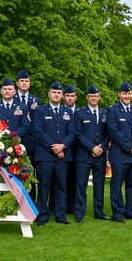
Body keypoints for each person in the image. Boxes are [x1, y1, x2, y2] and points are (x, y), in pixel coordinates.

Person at [30, 81, 75, 225]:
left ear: (62, 96)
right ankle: (43, 215)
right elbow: (38, 131)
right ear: (49, 94)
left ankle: (61, 215)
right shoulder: (40, 111)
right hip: (44, 156)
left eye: (59, 93)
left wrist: (62, 146)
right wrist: (54, 147)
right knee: (44, 186)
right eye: (54, 92)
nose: (56, 95)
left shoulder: (68, 112)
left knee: (61, 186)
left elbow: (72, 132)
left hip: (63, 155)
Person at [107, 81, 132, 223]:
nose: (127, 96)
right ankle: (117, 213)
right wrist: (130, 147)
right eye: (124, 93)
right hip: (120, 155)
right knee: (117, 185)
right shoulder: (112, 110)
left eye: (129, 93)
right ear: (119, 94)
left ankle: (130, 211)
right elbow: (114, 132)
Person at [0, 77, 29, 201]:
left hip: (15, 148)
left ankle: (10, 204)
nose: (7, 91)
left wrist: (12, 137)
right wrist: (0, 137)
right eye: (5, 89)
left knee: (13, 177)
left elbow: (25, 126)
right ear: (1, 91)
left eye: (10, 89)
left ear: (15, 92)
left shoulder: (22, 108)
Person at [72, 84, 108, 222]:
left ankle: (99, 212)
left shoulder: (105, 113)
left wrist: (102, 147)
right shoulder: (79, 113)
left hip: (100, 155)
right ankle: (79, 214)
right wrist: (92, 148)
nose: (94, 98)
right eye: (91, 96)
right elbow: (78, 134)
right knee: (81, 185)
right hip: (84, 155)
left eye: (96, 96)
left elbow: (108, 134)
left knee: (99, 185)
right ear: (87, 97)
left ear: (99, 97)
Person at [62, 84, 79, 217]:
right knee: (60, 180)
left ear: (76, 97)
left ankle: (71, 205)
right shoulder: (60, 110)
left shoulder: (79, 112)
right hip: (62, 149)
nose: (70, 98)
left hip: (78, 150)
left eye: (72, 96)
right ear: (63, 97)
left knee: (74, 179)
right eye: (67, 96)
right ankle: (56, 205)